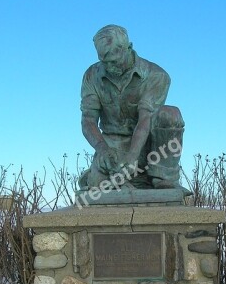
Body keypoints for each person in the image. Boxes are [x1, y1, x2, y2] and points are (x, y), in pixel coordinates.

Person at [79, 25, 184, 190]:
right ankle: (110, 174)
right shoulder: (92, 75)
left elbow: (146, 118)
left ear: (129, 48)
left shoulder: (157, 76)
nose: (109, 67)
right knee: (98, 187)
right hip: (112, 145)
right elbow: (88, 120)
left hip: (149, 144)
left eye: (114, 61)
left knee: (170, 115)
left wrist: (133, 156)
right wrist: (102, 149)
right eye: (104, 62)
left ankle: (164, 179)